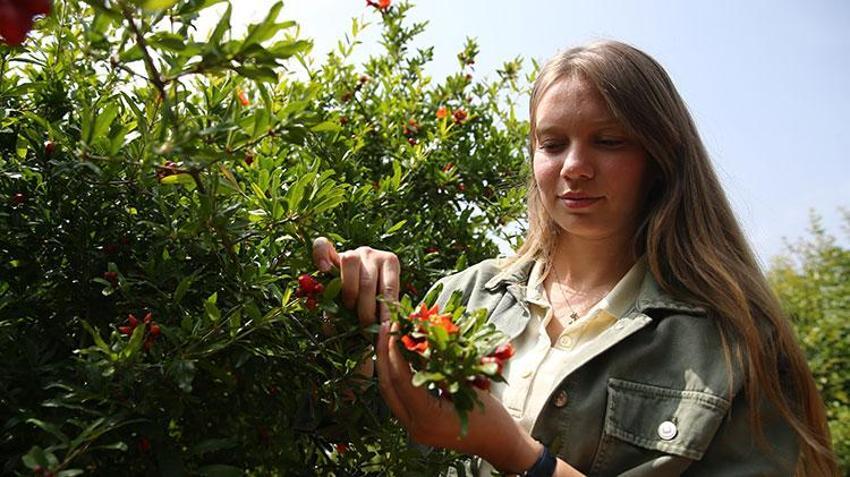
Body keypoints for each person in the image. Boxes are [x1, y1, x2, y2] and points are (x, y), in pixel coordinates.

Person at [312, 40, 838, 476]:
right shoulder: (463, 298)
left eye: (608, 141)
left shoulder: (735, 343)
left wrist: (520, 456)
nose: (575, 167)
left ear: (661, 157)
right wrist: (345, 314)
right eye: (552, 143)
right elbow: (333, 430)